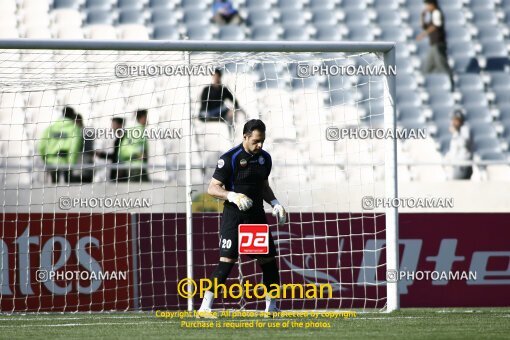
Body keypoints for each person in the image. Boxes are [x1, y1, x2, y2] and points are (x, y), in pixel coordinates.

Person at [197, 119, 286, 318]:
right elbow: (213, 188)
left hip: (256, 216)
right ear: (245, 137)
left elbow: (263, 186)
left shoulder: (265, 158)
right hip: (234, 217)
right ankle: (204, 308)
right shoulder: (230, 158)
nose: (260, 145)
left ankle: (271, 309)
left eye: (262, 141)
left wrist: (275, 203)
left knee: (268, 262)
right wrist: (232, 196)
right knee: (227, 261)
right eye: (255, 141)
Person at [38, 106, 82, 184]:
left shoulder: (50, 128)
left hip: (51, 160)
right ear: (72, 116)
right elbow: (74, 147)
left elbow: (41, 146)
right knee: (68, 187)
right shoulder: (75, 129)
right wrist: (71, 163)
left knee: (53, 186)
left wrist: (45, 159)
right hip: (66, 162)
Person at [416, 0, 454, 90]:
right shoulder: (432, 14)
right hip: (434, 45)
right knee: (427, 67)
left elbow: (436, 25)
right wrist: (422, 17)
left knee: (442, 64)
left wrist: (423, 34)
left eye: (428, 5)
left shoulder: (437, 12)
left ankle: (451, 82)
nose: (427, 7)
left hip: (438, 44)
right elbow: (425, 26)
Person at [118, 110, 150, 182]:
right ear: (141, 118)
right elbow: (126, 149)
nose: (148, 120)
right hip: (135, 167)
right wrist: (137, 155)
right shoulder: (137, 131)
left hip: (139, 166)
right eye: (146, 117)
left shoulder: (140, 130)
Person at [96, 117, 125, 182]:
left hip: (117, 166)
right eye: (112, 124)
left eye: (115, 124)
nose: (113, 126)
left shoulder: (123, 137)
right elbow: (98, 152)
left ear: (120, 125)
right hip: (104, 165)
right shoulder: (105, 135)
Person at [445, 110, 472, 180]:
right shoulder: (457, 132)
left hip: (462, 166)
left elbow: (464, 143)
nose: (454, 122)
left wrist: (455, 133)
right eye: (453, 120)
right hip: (456, 165)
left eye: (456, 120)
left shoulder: (465, 130)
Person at [71, 113, 94, 183]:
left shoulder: (82, 132)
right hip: (83, 164)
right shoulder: (87, 132)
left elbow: (88, 150)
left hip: (82, 164)